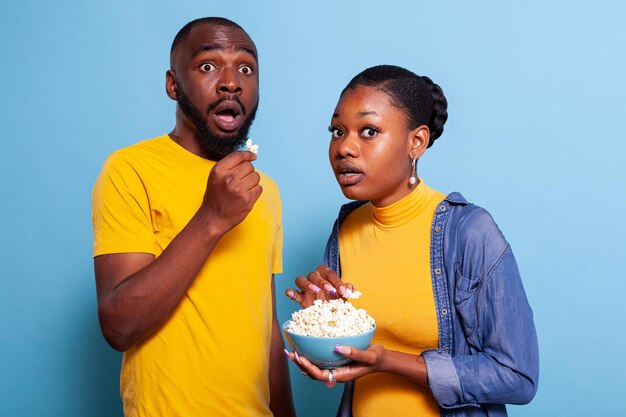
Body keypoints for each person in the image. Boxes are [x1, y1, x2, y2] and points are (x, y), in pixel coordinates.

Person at [285, 65, 539, 417]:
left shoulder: (468, 232)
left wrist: (389, 361)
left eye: (369, 131)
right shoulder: (346, 227)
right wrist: (321, 328)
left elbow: (517, 376)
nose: (344, 147)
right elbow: (345, 365)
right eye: (337, 130)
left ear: (416, 141)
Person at [92, 17, 295, 417]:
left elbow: (267, 329)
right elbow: (118, 324)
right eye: (207, 66)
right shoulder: (130, 169)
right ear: (173, 84)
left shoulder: (263, 189)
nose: (231, 82)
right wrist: (212, 219)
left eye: (245, 68)